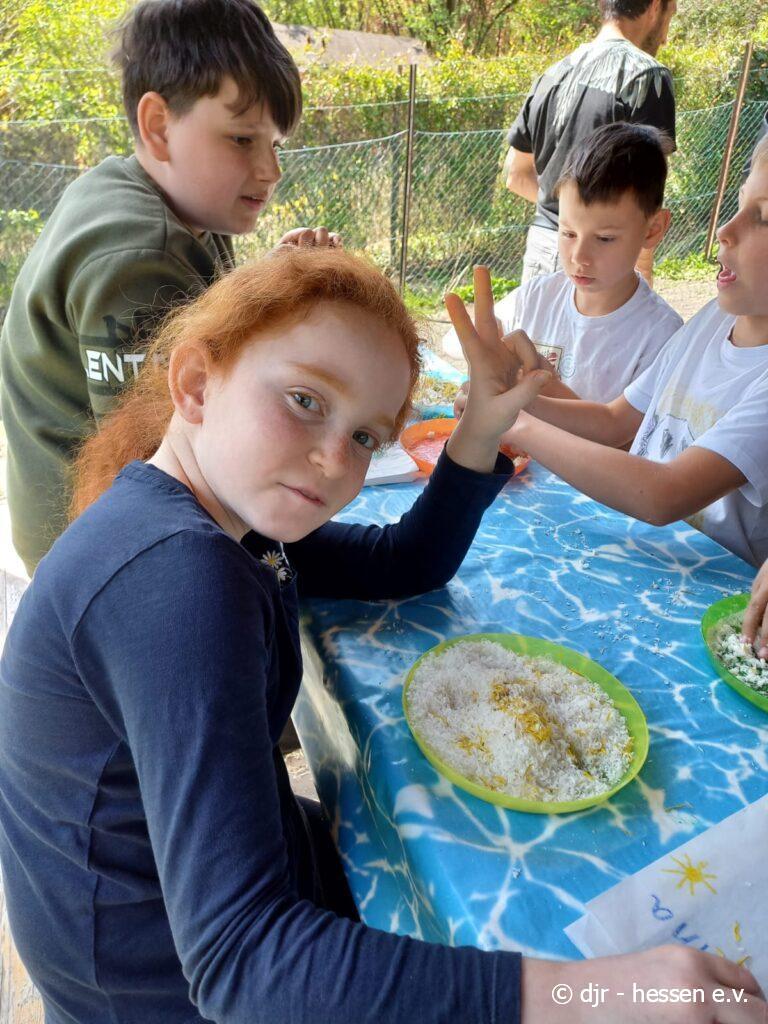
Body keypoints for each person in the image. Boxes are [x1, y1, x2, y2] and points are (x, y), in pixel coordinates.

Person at [1, 248, 762, 1024]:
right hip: (152, 986)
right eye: (305, 400)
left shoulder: (222, 517)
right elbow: (243, 962)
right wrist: (588, 997)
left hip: (217, 892)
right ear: (196, 384)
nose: (334, 458)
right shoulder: (178, 581)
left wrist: (483, 423)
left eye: (366, 436)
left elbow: (403, 561)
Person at [0, 0, 337, 576]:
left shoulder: (176, 205)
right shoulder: (140, 254)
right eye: (242, 139)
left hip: (100, 522)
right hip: (96, 552)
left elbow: (203, 325)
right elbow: (164, 444)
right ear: (159, 127)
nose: (271, 171)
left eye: (275, 144)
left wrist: (271, 282)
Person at [458, 136, 768, 568]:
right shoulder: (713, 319)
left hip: (707, 583)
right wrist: (511, 397)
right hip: (637, 548)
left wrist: (514, 423)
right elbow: (613, 421)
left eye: (764, 217)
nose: (724, 230)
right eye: (739, 204)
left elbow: (662, 495)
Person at [444, 123, 682, 402]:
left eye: (604, 238)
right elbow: (454, 343)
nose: (579, 256)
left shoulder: (661, 336)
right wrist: (485, 359)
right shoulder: (537, 297)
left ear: (653, 230)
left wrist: (536, 386)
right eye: (568, 233)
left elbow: (623, 428)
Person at [505, 0, 677, 285]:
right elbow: (645, 195)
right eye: (671, 16)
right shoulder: (646, 76)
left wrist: (569, 222)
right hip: (601, 259)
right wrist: (642, 274)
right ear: (655, 7)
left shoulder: (551, 75)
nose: (665, 38)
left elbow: (516, 175)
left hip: (540, 253)